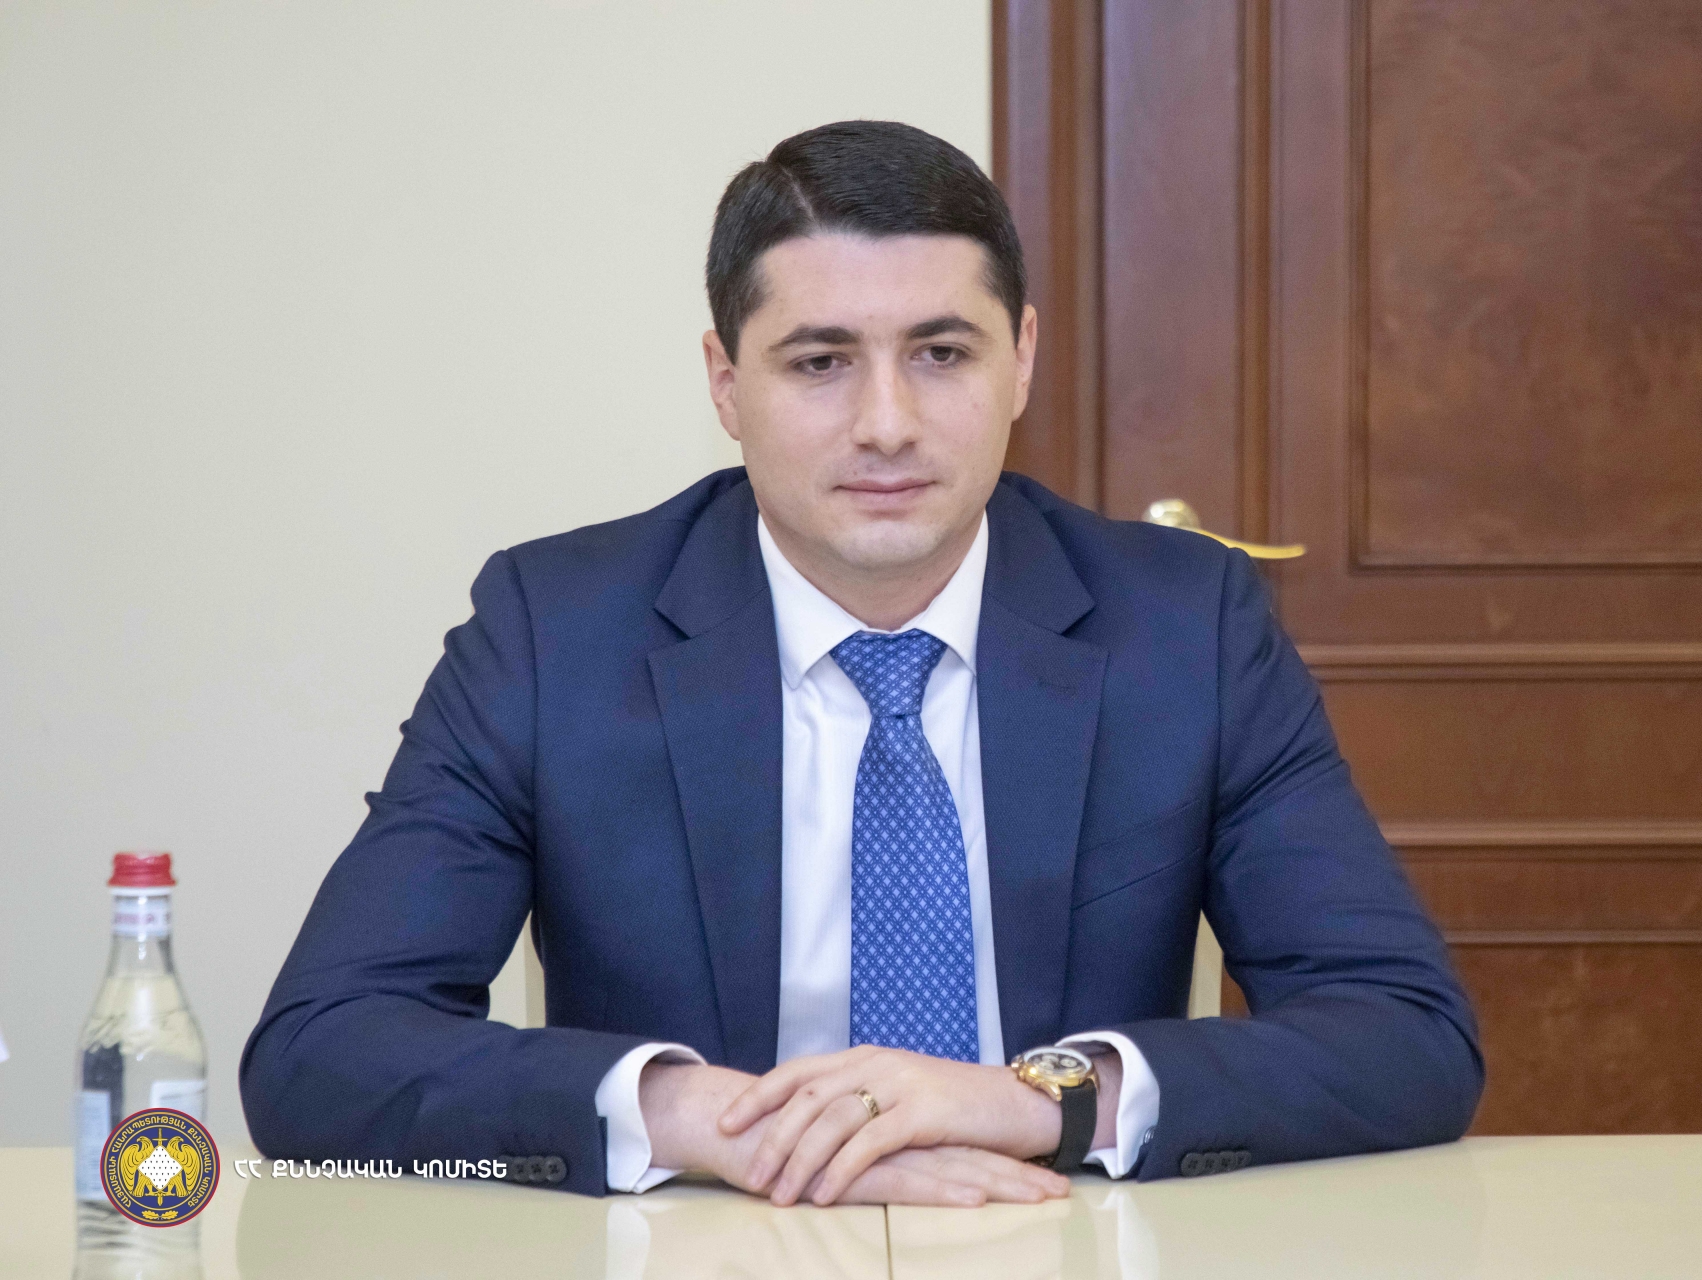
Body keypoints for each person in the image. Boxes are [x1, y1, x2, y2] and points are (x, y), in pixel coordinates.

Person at [240, 120, 1482, 1205]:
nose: (887, 423)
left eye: (942, 353)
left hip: (1056, 1232)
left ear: (1022, 359)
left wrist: (1038, 1100)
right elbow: (320, 1050)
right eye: (820, 361)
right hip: (701, 1244)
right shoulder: (557, 631)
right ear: (726, 382)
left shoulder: (1185, 625)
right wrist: (717, 1120)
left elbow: (1407, 1033)